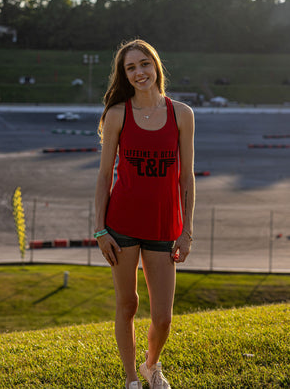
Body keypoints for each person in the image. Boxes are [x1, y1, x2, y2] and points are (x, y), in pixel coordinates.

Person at [94, 39, 195, 389]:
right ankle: (131, 379)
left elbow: (186, 176)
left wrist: (187, 231)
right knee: (127, 304)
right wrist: (99, 230)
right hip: (120, 226)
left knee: (163, 317)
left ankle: (152, 365)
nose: (139, 72)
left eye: (144, 64)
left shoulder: (181, 114)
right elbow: (105, 175)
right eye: (130, 68)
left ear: (156, 66)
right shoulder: (117, 114)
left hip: (164, 227)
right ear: (124, 75)